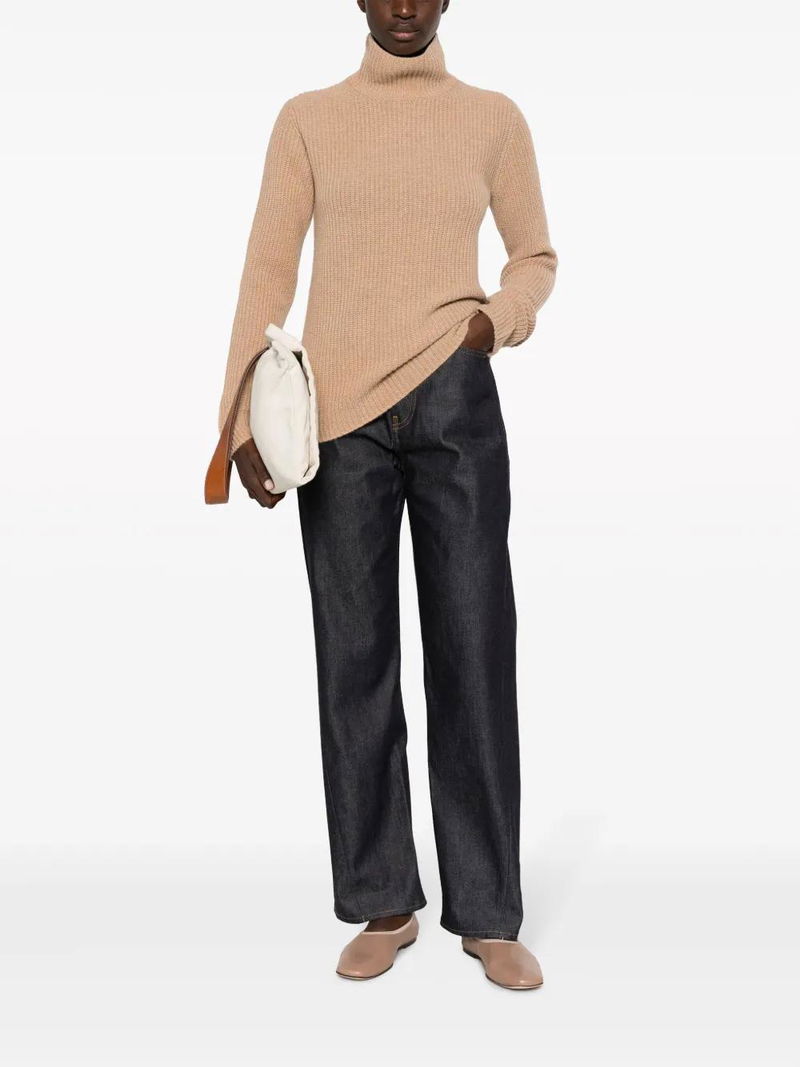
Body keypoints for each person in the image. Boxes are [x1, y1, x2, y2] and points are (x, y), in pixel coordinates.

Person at [216, 0, 557, 990]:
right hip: (337, 418)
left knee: (473, 648)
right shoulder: (308, 118)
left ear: (447, 1)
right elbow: (267, 268)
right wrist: (239, 420)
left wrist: (494, 323)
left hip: (455, 396)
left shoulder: (492, 117)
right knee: (354, 660)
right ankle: (382, 899)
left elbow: (535, 255)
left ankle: (487, 910)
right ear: (358, 1)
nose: (404, 6)